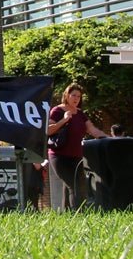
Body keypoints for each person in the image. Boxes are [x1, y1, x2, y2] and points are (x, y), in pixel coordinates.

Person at [46, 83, 108, 211]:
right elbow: (48, 130)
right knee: (75, 186)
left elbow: (92, 130)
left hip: (76, 156)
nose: (76, 99)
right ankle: (79, 214)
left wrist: (110, 138)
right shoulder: (57, 111)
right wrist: (64, 120)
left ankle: (67, 216)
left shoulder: (80, 113)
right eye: (73, 95)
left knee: (70, 186)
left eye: (79, 96)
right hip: (59, 156)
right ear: (67, 95)